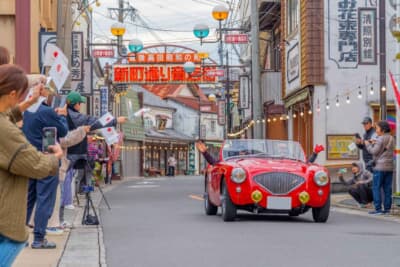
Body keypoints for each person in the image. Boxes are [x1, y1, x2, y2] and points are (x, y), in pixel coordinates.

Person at [0, 64, 62, 265]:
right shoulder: (7, 132)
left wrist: (29, 102)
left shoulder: (5, 120)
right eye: (21, 95)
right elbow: (36, 164)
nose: (21, 99)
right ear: (11, 93)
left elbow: (8, 115)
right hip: (4, 217)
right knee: (15, 241)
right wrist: (56, 157)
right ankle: (39, 236)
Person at [22, 83, 68, 248]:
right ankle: (39, 238)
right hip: (45, 159)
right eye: (46, 88)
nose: (49, 92)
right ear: (39, 91)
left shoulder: (23, 111)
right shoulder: (46, 111)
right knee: (44, 199)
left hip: (27, 160)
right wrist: (61, 116)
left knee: (28, 199)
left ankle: (18, 238)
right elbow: (62, 131)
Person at [65, 91, 127, 192]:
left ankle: (70, 198)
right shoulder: (77, 117)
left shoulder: (62, 114)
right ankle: (68, 201)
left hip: (66, 151)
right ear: (76, 104)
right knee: (71, 178)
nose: (80, 106)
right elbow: (96, 123)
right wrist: (116, 121)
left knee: (70, 177)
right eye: (80, 103)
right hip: (74, 152)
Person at [196, 140, 324, 165]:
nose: (242, 154)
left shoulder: (266, 158)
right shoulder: (231, 162)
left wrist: (314, 154)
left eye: (245, 152)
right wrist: (205, 153)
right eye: (240, 152)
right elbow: (214, 163)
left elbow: (305, 165)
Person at [365, 120, 395, 215]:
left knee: (376, 187)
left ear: (382, 129)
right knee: (387, 188)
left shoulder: (380, 139)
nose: (376, 130)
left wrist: (368, 145)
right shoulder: (391, 138)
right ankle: (387, 209)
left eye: (377, 128)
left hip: (380, 167)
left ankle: (378, 209)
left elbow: (374, 151)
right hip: (390, 167)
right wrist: (375, 142)